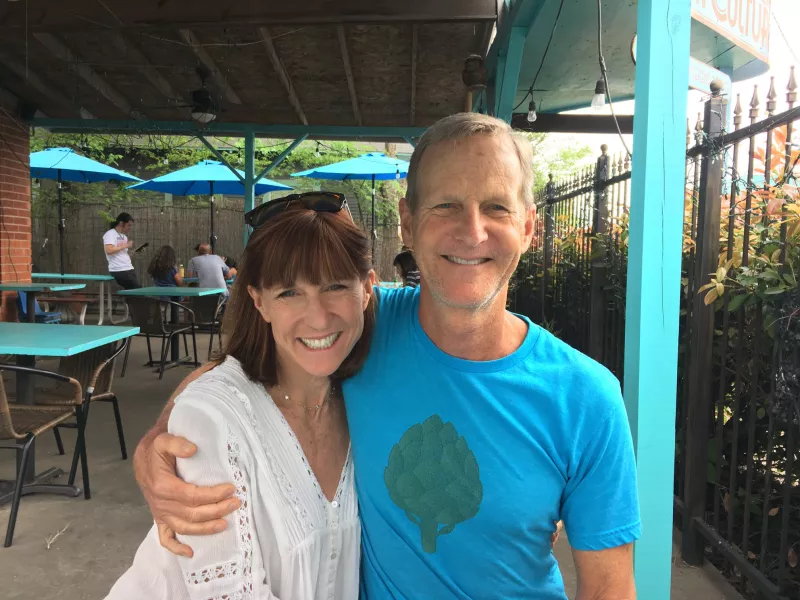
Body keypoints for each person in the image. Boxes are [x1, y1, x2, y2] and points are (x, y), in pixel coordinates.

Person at [132, 114, 641, 599]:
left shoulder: (587, 398)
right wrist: (160, 442)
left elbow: (609, 589)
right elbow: (248, 362)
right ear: (407, 223)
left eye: (496, 207)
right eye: (446, 206)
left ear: (528, 227)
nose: (472, 231)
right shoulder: (359, 324)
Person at [106, 197, 376, 600]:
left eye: (335, 286)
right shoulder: (213, 419)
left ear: (368, 289)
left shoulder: (361, 394)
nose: (318, 317)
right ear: (259, 301)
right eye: (289, 293)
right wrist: (157, 438)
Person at [103, 212, 140, 289]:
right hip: (118, 269)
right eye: (128, 225)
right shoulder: (110, 234)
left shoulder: (124, 237)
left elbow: (123, 254)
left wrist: (135, 251)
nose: (130, 227)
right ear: (121, 223)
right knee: (137, 290)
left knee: (132, 292)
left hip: (129, 268)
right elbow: (109, 250)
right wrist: (126, 245)